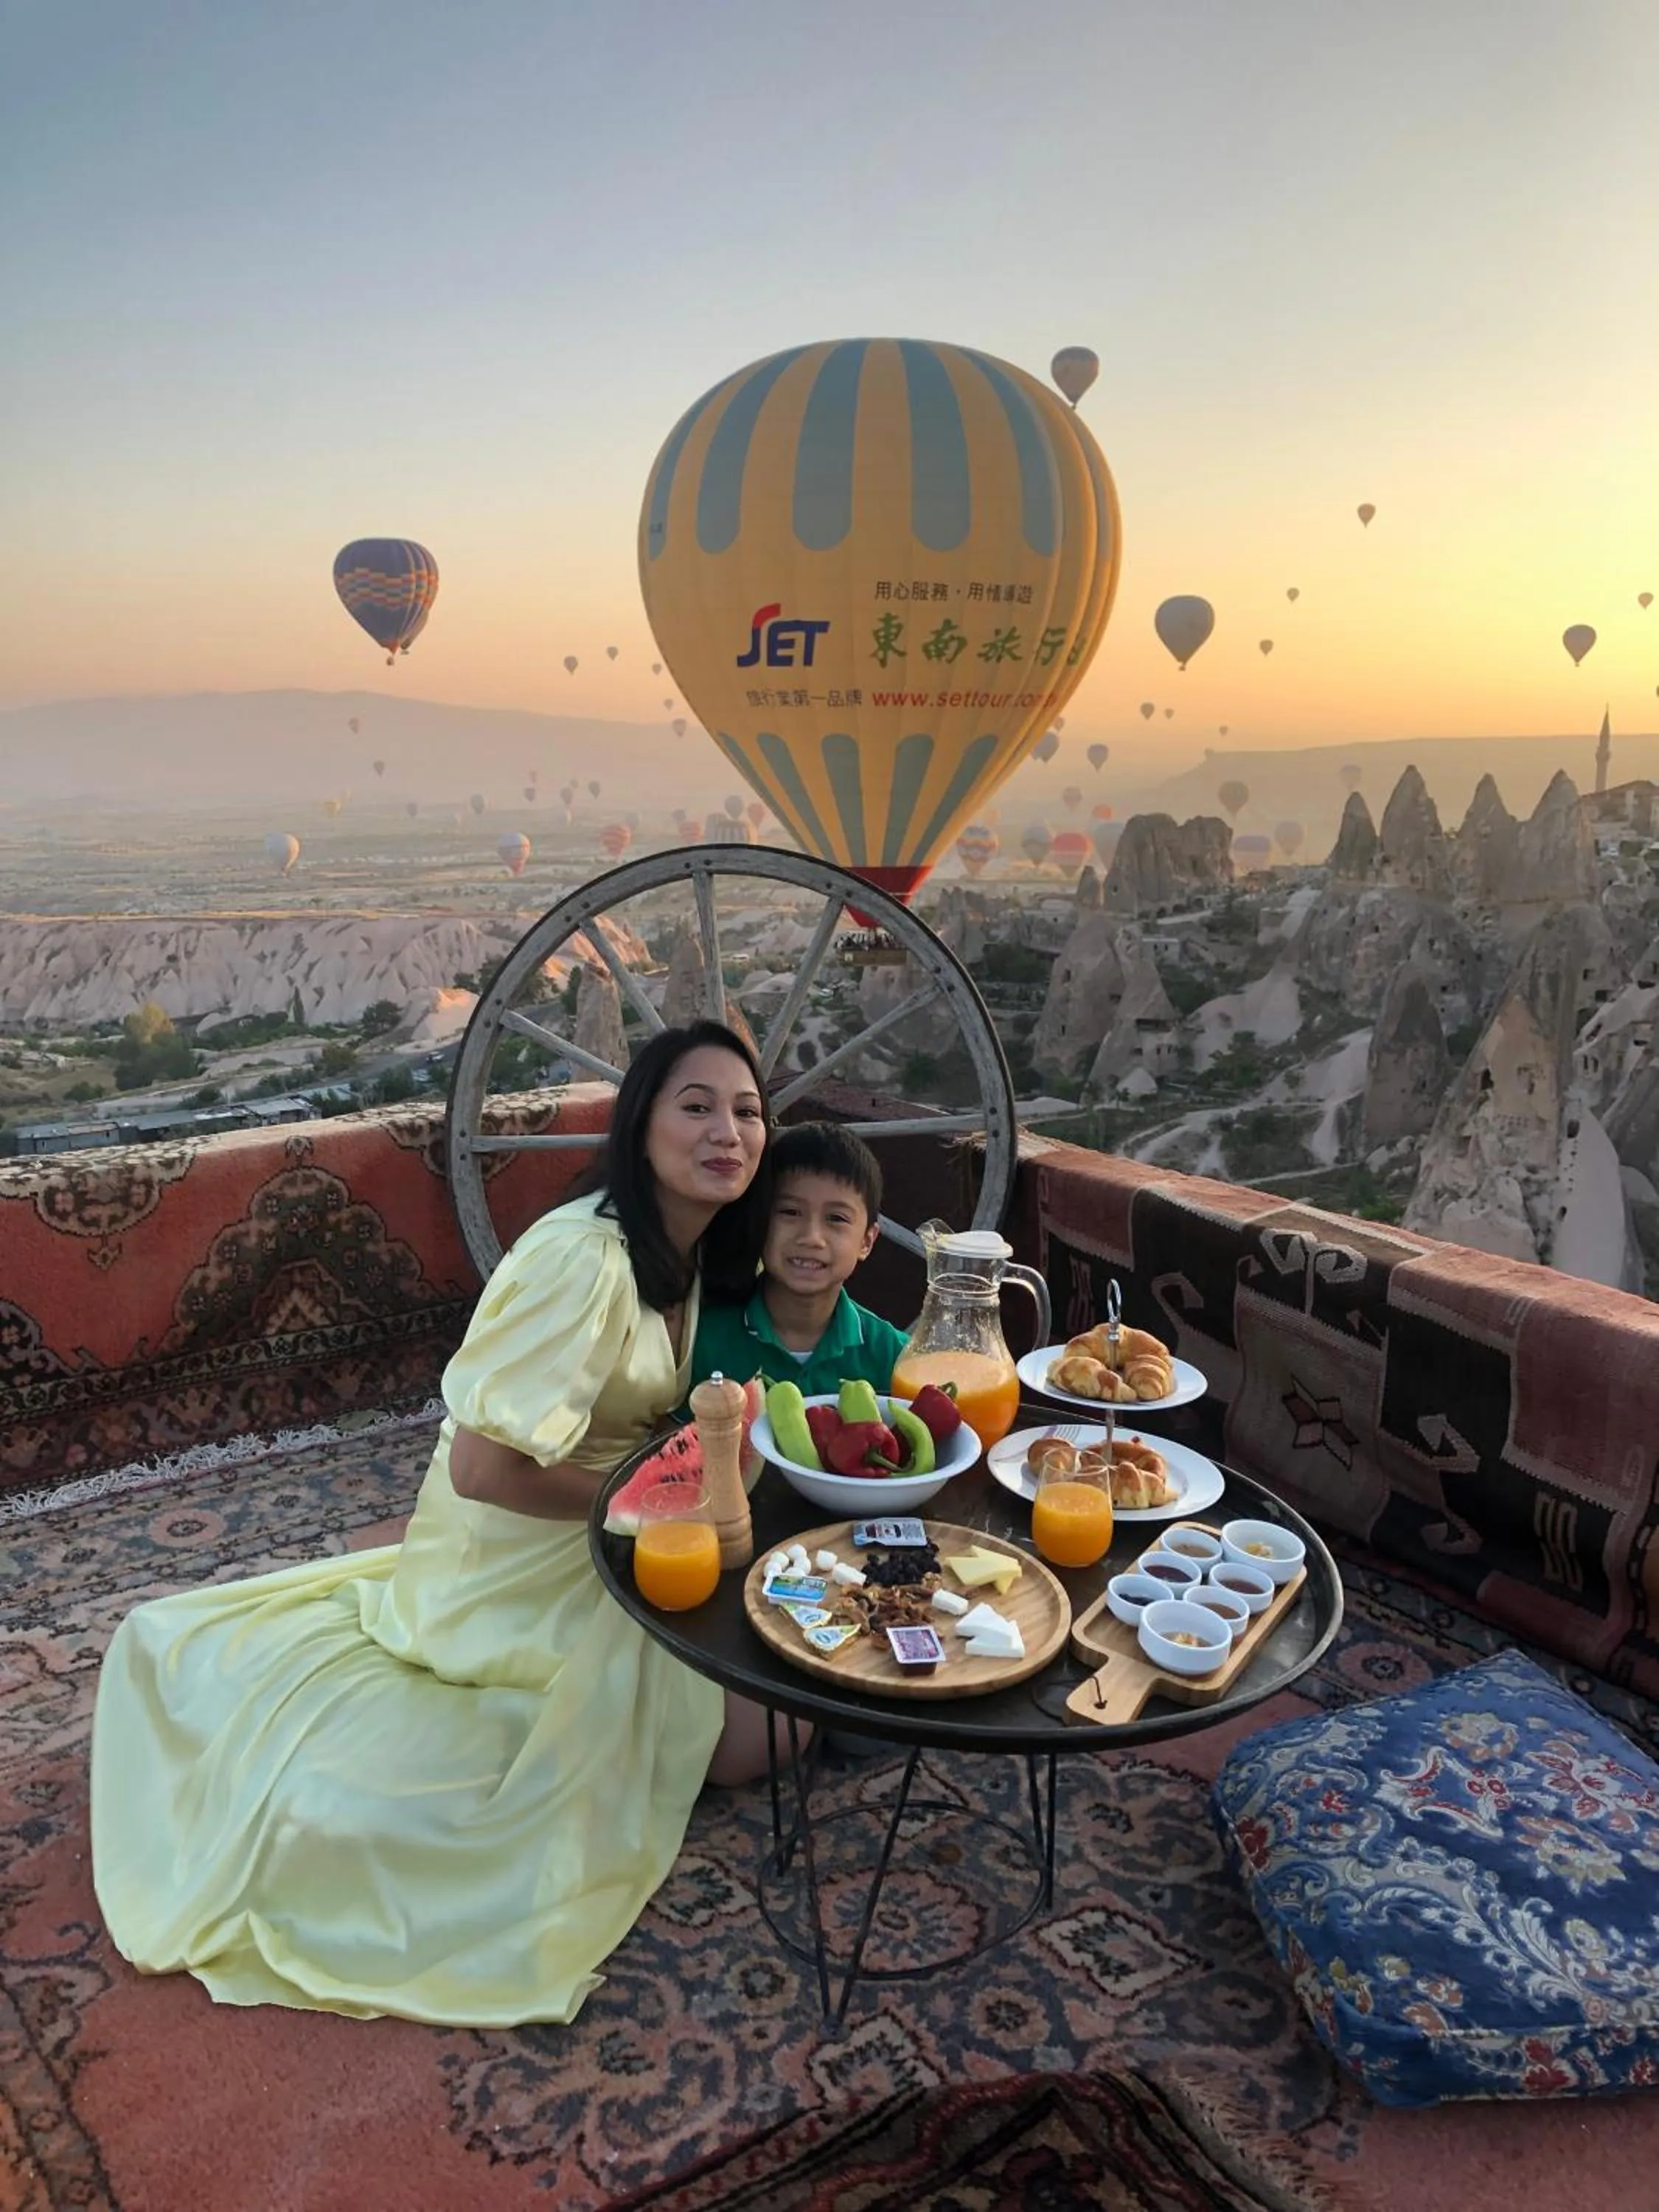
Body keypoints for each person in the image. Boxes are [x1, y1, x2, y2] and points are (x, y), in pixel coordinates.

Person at [91, 1020, 777, 2027]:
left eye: (748, 1111)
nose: (727, 1129)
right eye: (697, 1105)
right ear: (639, 1128)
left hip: (598, 1536)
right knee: (752, 1739)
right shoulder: (584, 1259)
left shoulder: (680, 1254)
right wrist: (636, 1507)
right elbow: (482, 1463)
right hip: (519, 1564)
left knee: (764, 1715)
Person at [686, 1120, 910, 1402]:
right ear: (760, 1221)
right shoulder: (703, 1342)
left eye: (836, 1219)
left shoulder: (894, 1356)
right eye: (790, 1212)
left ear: (867, 1241)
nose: (811, 1238)